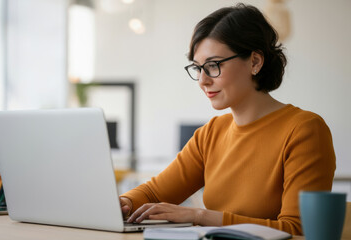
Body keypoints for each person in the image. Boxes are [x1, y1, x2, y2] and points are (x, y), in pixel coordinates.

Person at [119, 3, 335, 235]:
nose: (202, 80)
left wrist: (200, 216)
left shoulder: (305, 130)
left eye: (213, 65)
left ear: (255, 62)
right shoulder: (210, 133)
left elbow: (297, 230)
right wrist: (124, 203)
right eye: (197, 67)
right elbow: (154, 193)